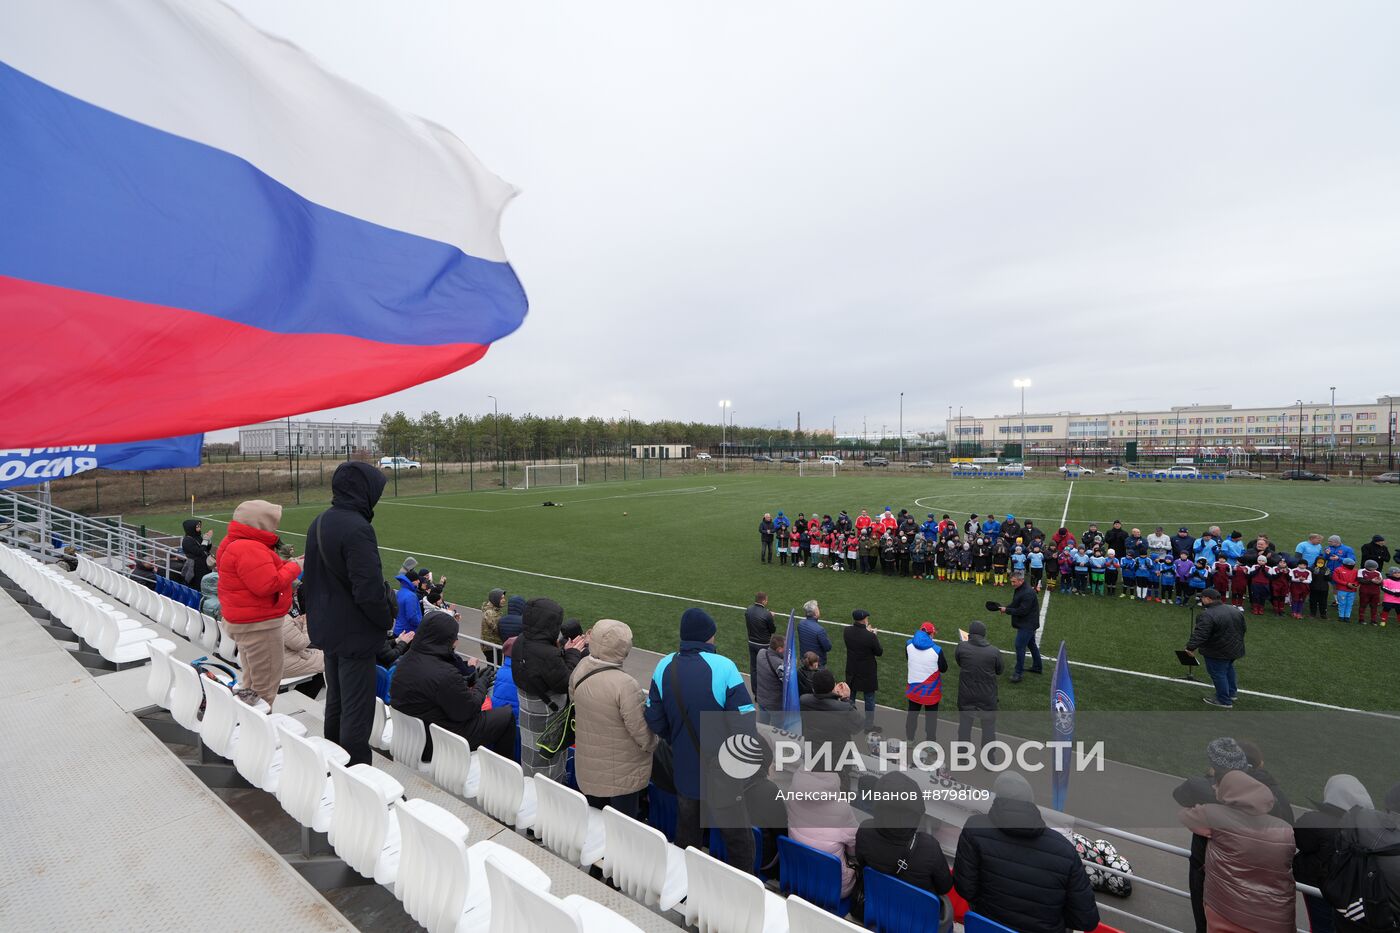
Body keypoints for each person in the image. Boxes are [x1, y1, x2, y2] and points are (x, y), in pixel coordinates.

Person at [645, 608, 760, 874]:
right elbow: (745, 727)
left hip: (685, 770)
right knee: (739, 841)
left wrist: (678, 739)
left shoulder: (664, 665)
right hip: (724, 773)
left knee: (688, 836)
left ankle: (688, 896)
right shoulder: (725, 667)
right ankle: (742, 900)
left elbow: (654, 718)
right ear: (708, 637)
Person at [303, 461, 393, 767]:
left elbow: (311, 580)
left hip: (328, 630)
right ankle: (356, 774)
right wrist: (386, 619)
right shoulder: (357, 528)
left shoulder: (320, 521)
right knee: (357, 709)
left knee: (337, 703)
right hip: (354, 635)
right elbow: (368, 590)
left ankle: (333, 763)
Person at [954, 771, 1100, 933]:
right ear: (1031, 801)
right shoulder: (1064, 850)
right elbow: (1086, 920)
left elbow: (965, 888)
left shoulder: (974, 828)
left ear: (996, 798)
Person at [1174, 737, 1294, 933]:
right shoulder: (1276, 797)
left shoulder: (1212, 797)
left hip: (1217, 881)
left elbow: (1184, 796)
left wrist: (1214, 779)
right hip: (1266, 892)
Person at [389, 610, 516, 761]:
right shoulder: (443, 672)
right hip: (436, 743)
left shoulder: (406, 659)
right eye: (453, 637)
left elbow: (436, 689)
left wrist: (468, 681)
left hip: (413, 735)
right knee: (506, 715)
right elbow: (468, 710)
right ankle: (502, 771)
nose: (456, 640)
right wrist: (482, 684)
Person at [215, 500, 302, 708]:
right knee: (265, 686)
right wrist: (295, 566)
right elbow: (267, 584)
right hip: (258, 625)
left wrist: (287, 565)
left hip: (244, 621)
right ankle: (257, 732)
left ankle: (245, 721)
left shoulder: (234, 542)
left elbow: (259, 574)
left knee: (252, 682)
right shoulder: (249, 547)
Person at [569, 619, 657, 818]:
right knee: (622, 830)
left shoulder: (582, 667)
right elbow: (642, 733)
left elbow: (574, 698)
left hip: (590, 769)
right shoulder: (625, 685)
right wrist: (654, 743)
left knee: (597, 823)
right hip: (622, 777)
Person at [855, 771, 954, 908]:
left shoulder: (865, 830)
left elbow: (861, 862)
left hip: (877, 907)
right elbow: (945, 887)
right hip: (915, 918)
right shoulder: (929, 847)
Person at [513, 597, 584, 780]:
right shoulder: (547, 653)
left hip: (527, 710)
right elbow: (564, 682)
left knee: (530, 754)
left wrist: (563, 652)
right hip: (546, 716)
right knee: (548, 759)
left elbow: (539, 669)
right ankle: (549, 798)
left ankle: (530, 790)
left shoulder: (520, 640)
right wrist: (574, 654)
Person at [1294, 774, 1373, 933]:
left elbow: (1299, 840)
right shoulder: (1368, 829)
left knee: (1321, 924)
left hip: (1317, 884)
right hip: (1352, 892)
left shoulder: (1314, 820)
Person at [787, 768, 859, 898]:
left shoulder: (792, 792)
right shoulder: (842, 809)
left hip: (797, 874)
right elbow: (854, 849)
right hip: (832, 887)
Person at [1185, 588, 1246, 708]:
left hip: (1217, 650)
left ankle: (1224, 700)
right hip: (1234, 648)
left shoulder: (1207, 614)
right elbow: (1243, 628)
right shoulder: (1234, 609)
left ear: (1208, 599)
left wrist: (1190, 647)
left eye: (1202, 598)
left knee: (1218, 673)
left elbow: (1201, 634)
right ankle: (1231, 693)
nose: (1201, 600)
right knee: (1228, 669)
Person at [955, 620, 1002, 751]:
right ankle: (989, 759)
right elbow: (1000, 670)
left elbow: (959, 661)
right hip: (987, 698)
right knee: (988, 731)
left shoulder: (962, 647)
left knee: (964, 727)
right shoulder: (994, 651)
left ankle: (963, 756)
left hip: (967, 696)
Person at [904, 621, 945, 748]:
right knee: (931, 720)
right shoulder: (937, 650)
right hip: (931, 692)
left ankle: (910, 740)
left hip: (914, 689)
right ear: (930, 634)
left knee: (912, 716)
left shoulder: (908, 644)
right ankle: (930, 744)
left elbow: (908, 658)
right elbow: (944, 668)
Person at [843, 609, 882, 730]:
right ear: (864, 620)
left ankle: (850, 723)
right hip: (867, 672)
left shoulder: (847, 631)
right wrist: (873, 635)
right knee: (869, 699)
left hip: (852, 669)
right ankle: (868, 726)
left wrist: (867, 633)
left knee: (851, 697)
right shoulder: (870, 636)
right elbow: (879, 652)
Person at [1000, 571, 1041, 682]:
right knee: (1031, 644)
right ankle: (1037, 666)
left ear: (1021, 580)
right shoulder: (1020, 589)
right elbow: (1015, 603)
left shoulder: (1027, 593)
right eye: (1011, 581)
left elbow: (1022, 610)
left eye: (1014, 582)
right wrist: (1005, 608)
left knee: (1019, 646)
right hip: (1028, 622)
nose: (1012, 584)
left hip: (1027, 624)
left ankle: (1018, 673)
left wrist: (1007, 610)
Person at [281, 611, 325, 696]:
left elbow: (287, 634)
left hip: (273, 662)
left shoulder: (265, 615)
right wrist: (307, 624)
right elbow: (301, 644)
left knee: (323, 655)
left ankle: (300, 697)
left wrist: (297, 622)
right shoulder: (280, 617)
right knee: (327, 661)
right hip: (285, 664)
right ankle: (301, 699)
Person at [752, 633, 786, 726]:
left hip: (762, 700)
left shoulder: (761, 653)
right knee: (777, 730)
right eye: (785, 647)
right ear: (779, 649)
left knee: (762, 727)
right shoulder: (780, 664)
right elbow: (787, 681)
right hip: (775, 705)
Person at [745, 592, 776, 676]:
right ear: (763, 601)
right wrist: (771, 617)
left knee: (754, 667)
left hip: (751, 642)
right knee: (764, 667)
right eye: (766, 600)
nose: (767, 602)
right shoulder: (767, 614)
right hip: (763, 644)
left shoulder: (748, 610)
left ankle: (755, 688)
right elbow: (773, 630)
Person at [181, 518, 214, 588]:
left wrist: (208, 540)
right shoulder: (187, 540)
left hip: (204, 565)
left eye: (199, 526)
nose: (199, 528)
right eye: (197, 526)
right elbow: (200, 552)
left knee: (206, 582)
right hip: (195, 567)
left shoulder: (198, 537)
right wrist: (205, 540)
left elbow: (206, 549)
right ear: (191, 528)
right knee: (198, 585)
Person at [798, 599, 832, 664]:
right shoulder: (819, 630)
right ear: (816, 613)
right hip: (816, 663)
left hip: (804, 660)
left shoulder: (800, 624)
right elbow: (828, 647)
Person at [392, 567, 422, 636]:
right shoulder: (411, 596)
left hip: (398, 630)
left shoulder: (400, 592)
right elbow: (412, 617)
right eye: (417, 580)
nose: (419, 582)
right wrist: (421, 624)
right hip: (408, 633)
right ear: (413, 581)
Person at [479, 588, 506, 665]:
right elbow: (497, 629)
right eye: (501, 598)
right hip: (491, 647)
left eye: (504, 598)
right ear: (495, 599)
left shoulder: (494, 610)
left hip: (493, 645)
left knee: (494, 667)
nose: (504, 600)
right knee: (495, 667)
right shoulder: (490, 613)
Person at [1333, 557, 1359, 622]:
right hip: (1342, 590)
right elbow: (1336, 579)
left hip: (1352, 591)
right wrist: (1347, 584)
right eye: (1351, 565)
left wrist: (1355, 584)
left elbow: (1358, 580)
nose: (1352, 566)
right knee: (1342, 603)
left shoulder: (1355, 571)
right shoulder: (1338, 570)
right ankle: (1341, 616)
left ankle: (1347, 617)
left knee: (1349, 604)